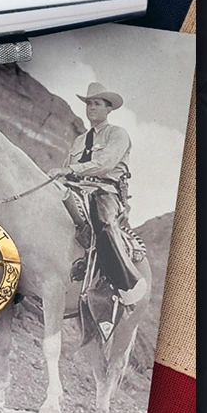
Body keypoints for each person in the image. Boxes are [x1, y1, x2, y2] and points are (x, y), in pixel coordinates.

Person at [49, 82, 147, 305]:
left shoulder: (118, 134)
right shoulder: (79, 140)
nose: (91, 107)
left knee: (102, 220)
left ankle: (126, 285)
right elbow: (67, 169)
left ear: (108, 109)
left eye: (97, 104)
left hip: (106, 191)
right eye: (89, 103)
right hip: (76, 189)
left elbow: (105, 163)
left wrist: (71, 170)